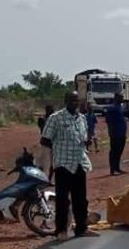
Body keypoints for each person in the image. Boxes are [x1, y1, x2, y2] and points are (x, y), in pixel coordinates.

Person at [41, 91, 98, 241]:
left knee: (81, 199)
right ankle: (61, 231)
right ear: (66, 101)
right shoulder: (56, 118)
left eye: (77, 101)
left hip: (79, 163)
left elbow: (83, 137)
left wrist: (87, 142)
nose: (75, 104)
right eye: (72, 101)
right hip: (63, 165)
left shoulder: (82, 119)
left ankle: (81, 228)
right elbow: (45, 140)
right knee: (62, 200)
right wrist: (53, 155)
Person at [104, 92, 127, 175]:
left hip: (122, 134)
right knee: (114, 151)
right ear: (116, 98)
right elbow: (108, 121)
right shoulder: (111, 108)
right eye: (121, 97)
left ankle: (117, 167)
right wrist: (111, 133)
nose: (122, 99)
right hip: (115, 134)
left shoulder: (121, 107)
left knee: (119, 151)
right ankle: (112, 169)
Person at [37, 104, 55, 177]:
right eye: (51, 109)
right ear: (47, 110)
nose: (52, 111)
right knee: (45, 164)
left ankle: (48, 180)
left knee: (53, 164)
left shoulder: (54, 119)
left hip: (53, 143)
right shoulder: (43, 119)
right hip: (46, 143)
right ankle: (42, 179)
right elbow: (43, 130)